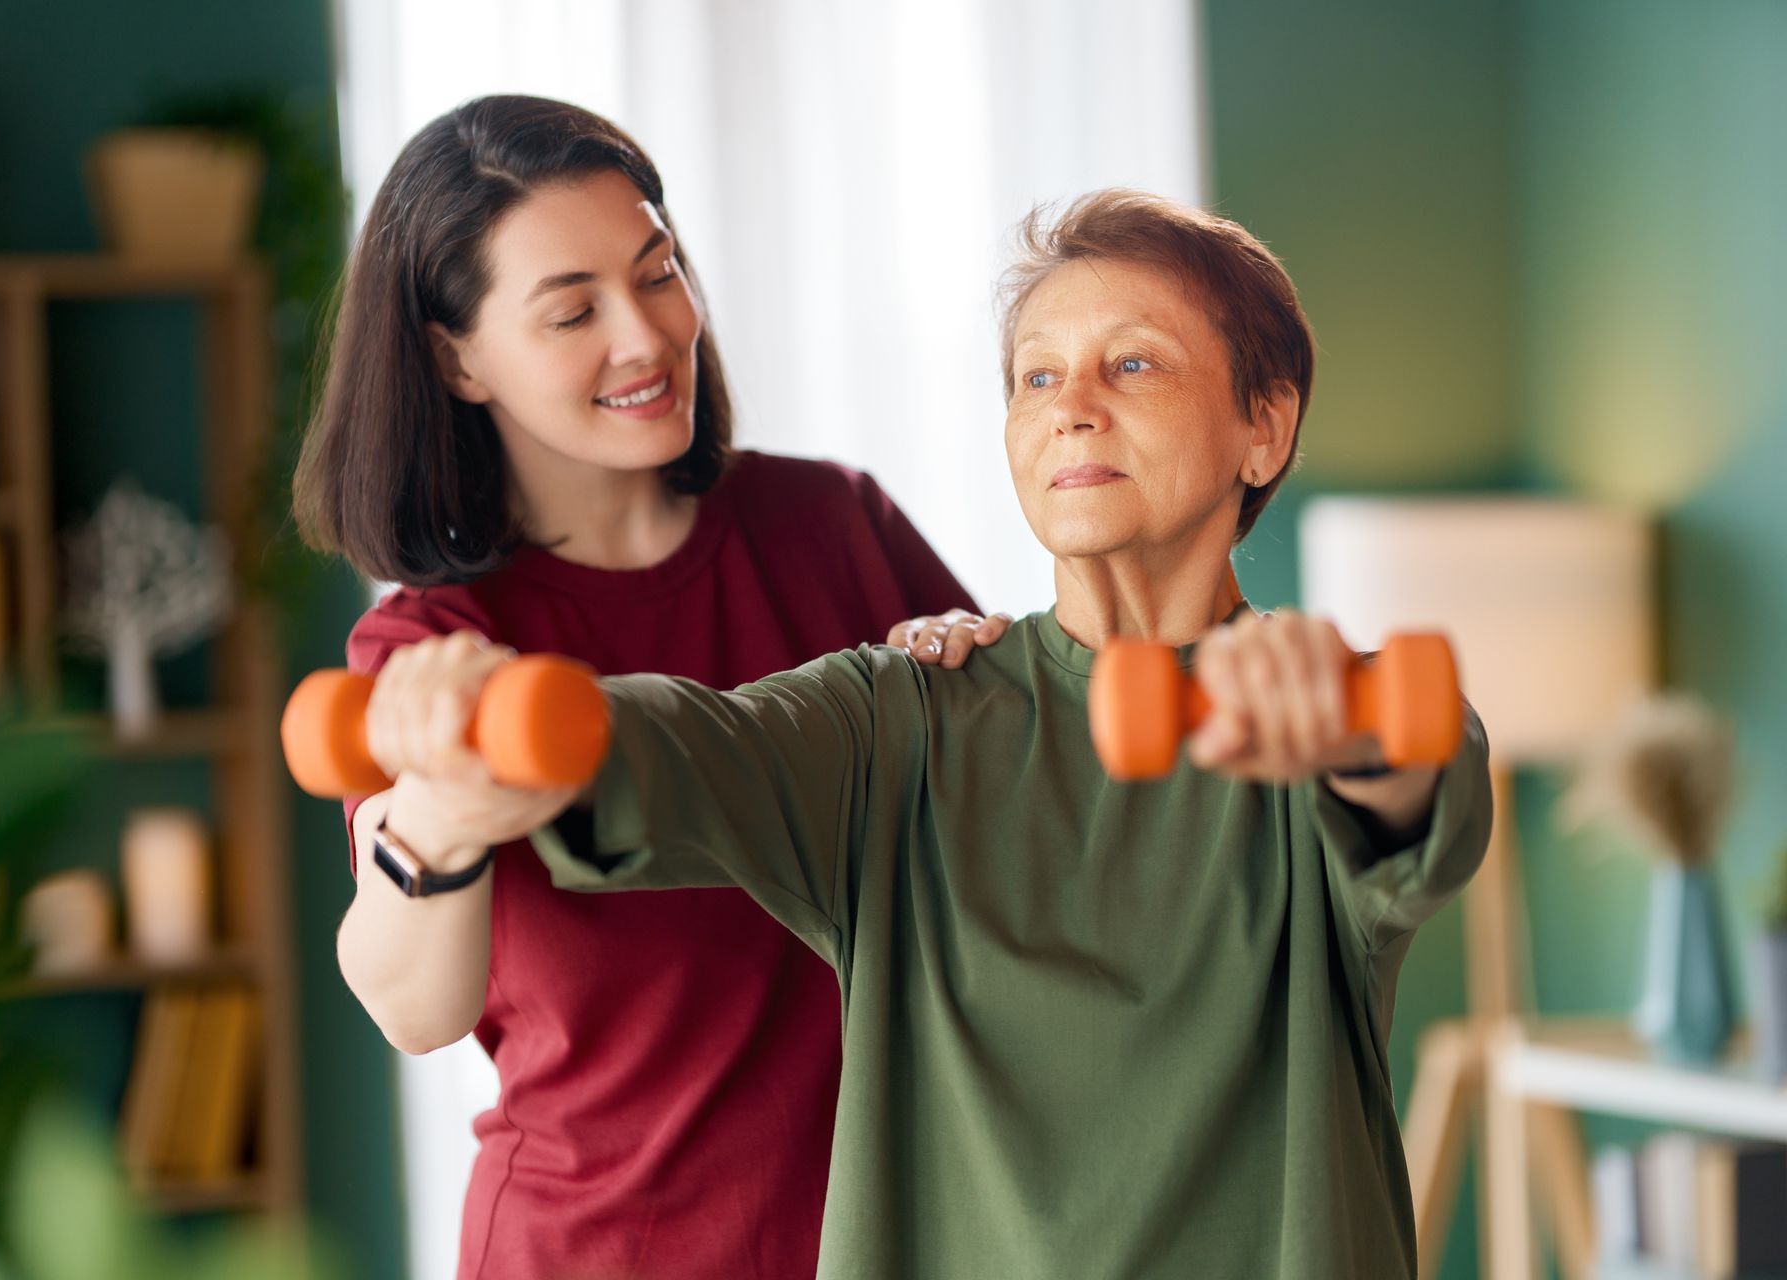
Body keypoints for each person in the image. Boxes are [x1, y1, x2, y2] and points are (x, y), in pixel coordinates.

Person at [401, 189, 1496, 1279]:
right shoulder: (900, 720)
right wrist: (496, 717)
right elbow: (687, 749)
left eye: (1134, 364)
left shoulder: (1330, 713)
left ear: (1265, 426)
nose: (1071, 404)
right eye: (1036, 374)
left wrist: (1347, 740)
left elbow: (1417, 783)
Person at [292, 95, 1003, 1280]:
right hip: (601, 1249)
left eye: (657, 270)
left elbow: (1005, 858)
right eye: (573, 309)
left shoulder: (836, 528)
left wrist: (969, 694)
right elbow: (415, 1006)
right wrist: (443, 818)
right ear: (453, 354)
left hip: (894, 1238)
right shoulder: (442, 649)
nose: (645, 334)